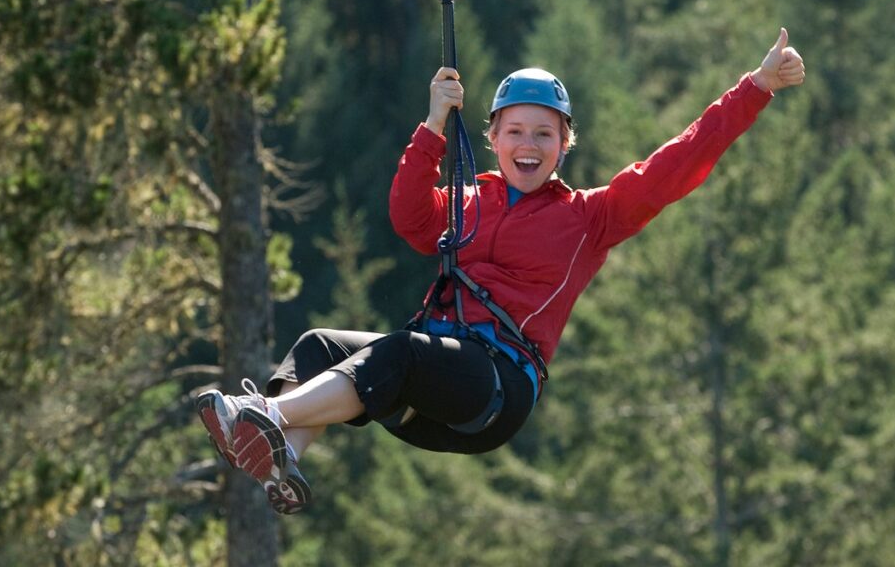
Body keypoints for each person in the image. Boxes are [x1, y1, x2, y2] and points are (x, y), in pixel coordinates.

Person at [196, 28, 805, 514]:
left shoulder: (590, 216)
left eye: (545, 133)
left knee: (402, 350)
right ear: (493, 138)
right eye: (515, 131)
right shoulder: (466, 202)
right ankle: (285, 455)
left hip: (494, 389)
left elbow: (679, 161)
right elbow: (408, 218)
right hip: (430, 386)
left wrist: (754, 87)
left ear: (565, 144)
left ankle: (273, 417)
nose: (529, 143)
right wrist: (434, 124)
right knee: (319, 344)